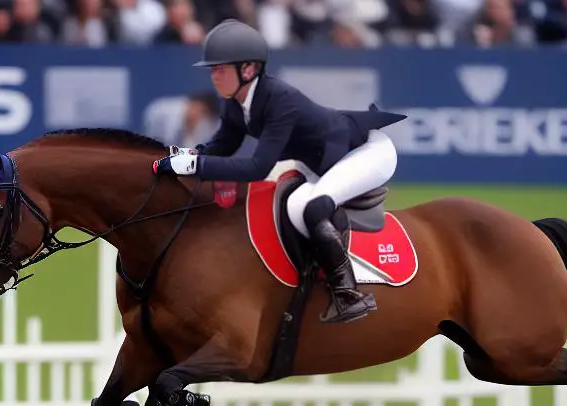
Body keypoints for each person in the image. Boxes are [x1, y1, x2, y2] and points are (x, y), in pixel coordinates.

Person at [151, 19, 407, 324]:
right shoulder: (235, 104)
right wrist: (180, 158)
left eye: (220, 68)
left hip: (366, 152)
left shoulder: (278, 99)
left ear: (247, 70)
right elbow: (220, 147)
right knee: (291, 206)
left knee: (313, 208)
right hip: (321, 160)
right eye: (212, 69)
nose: (213, 76)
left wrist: (194, 165)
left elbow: (258, 167)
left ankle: (347, 293)